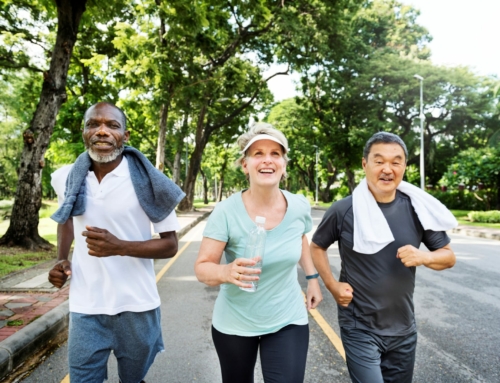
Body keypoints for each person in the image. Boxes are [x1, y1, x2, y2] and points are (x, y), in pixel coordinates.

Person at [48, 102, 185, 383]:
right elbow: (66, 219)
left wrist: (119, 247)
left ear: (125, 135)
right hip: (86, 305)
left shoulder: (150, 182)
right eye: (93, 124)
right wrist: (62, 259)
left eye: (112, 125)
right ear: (84, 131)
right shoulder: (65, 177)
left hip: (137, 306)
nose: (102, 131)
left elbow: (170, 245)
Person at [310, 132, 457, 383]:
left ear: (404, 167)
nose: (387, 169)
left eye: (396, 161)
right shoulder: (343, 210)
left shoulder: (417, 208)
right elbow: (316, 247)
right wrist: (332, 286)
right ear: (365, 164)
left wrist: (423, 257)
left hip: (403, 329)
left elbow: (448, 256)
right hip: (359, 326)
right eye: (379, 161)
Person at [195, 122, 322, 383]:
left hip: (288, 318)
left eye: (275, 153)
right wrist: (226, 271)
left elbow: (299, 239)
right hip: (235, 323)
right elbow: (203, 267)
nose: (268, 160)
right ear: (245, 164)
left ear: (284, 164)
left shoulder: (298, 206)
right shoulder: (226, 212)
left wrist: (312, 279)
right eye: (258, 153)